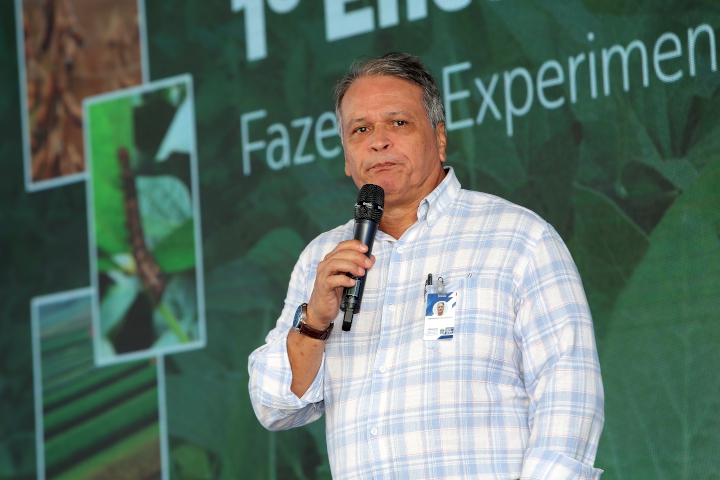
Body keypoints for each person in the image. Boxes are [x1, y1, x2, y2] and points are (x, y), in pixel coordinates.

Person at [249, 52, 604, 479]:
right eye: (360, 129)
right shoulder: (322, 259)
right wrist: (315, 321)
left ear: (439, 138)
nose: (378, 141)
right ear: (346, 157)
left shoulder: (518, 237)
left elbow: (569, 392)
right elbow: (273, 406)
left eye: (398, 123)